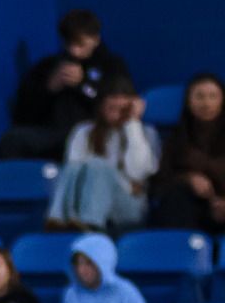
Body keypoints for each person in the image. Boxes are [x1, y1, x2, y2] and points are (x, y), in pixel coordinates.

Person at [0, 9, 132, 162]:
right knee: (12, 139)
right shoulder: (47, 66)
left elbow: (116, 108)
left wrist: (82, 85)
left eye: (80, 44)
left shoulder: (112, 65)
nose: (74, 51)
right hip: (53, 133)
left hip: (93, 132)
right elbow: (22, 114)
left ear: (95, 39)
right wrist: (48, 89)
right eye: (69, 43)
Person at [46, 81, 156, 233]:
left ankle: (91, 224)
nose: (116, 115)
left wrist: (132, 124)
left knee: (98, 165)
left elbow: (137, 173)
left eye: (123, 110)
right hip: (82, 201)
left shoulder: (146, 132)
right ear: (101, 106)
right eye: (111, 108)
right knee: (73, 167)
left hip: (128, 206)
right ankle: (57, 219)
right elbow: (74, 174)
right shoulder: (83, 131)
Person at [153, 74, 225, 233]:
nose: (206, 103)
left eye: (213, 96)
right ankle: (179, 252)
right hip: (188, 212)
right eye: (199, 96)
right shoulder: (175, 140)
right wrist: (187, 179)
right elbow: (159, 184)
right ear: (188, 101)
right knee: (178, 197)